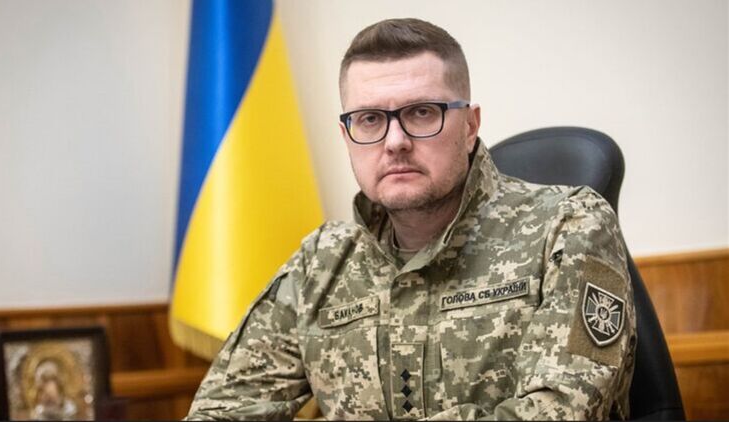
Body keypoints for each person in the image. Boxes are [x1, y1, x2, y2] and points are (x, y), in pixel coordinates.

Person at [186, 17, 636, 420]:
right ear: (347, 136)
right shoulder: (320, 265)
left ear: (470, 126)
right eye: (369, 119)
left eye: (422, 113)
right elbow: (220, 412)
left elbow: (561, 411)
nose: (395, 141)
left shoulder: (569, 227)